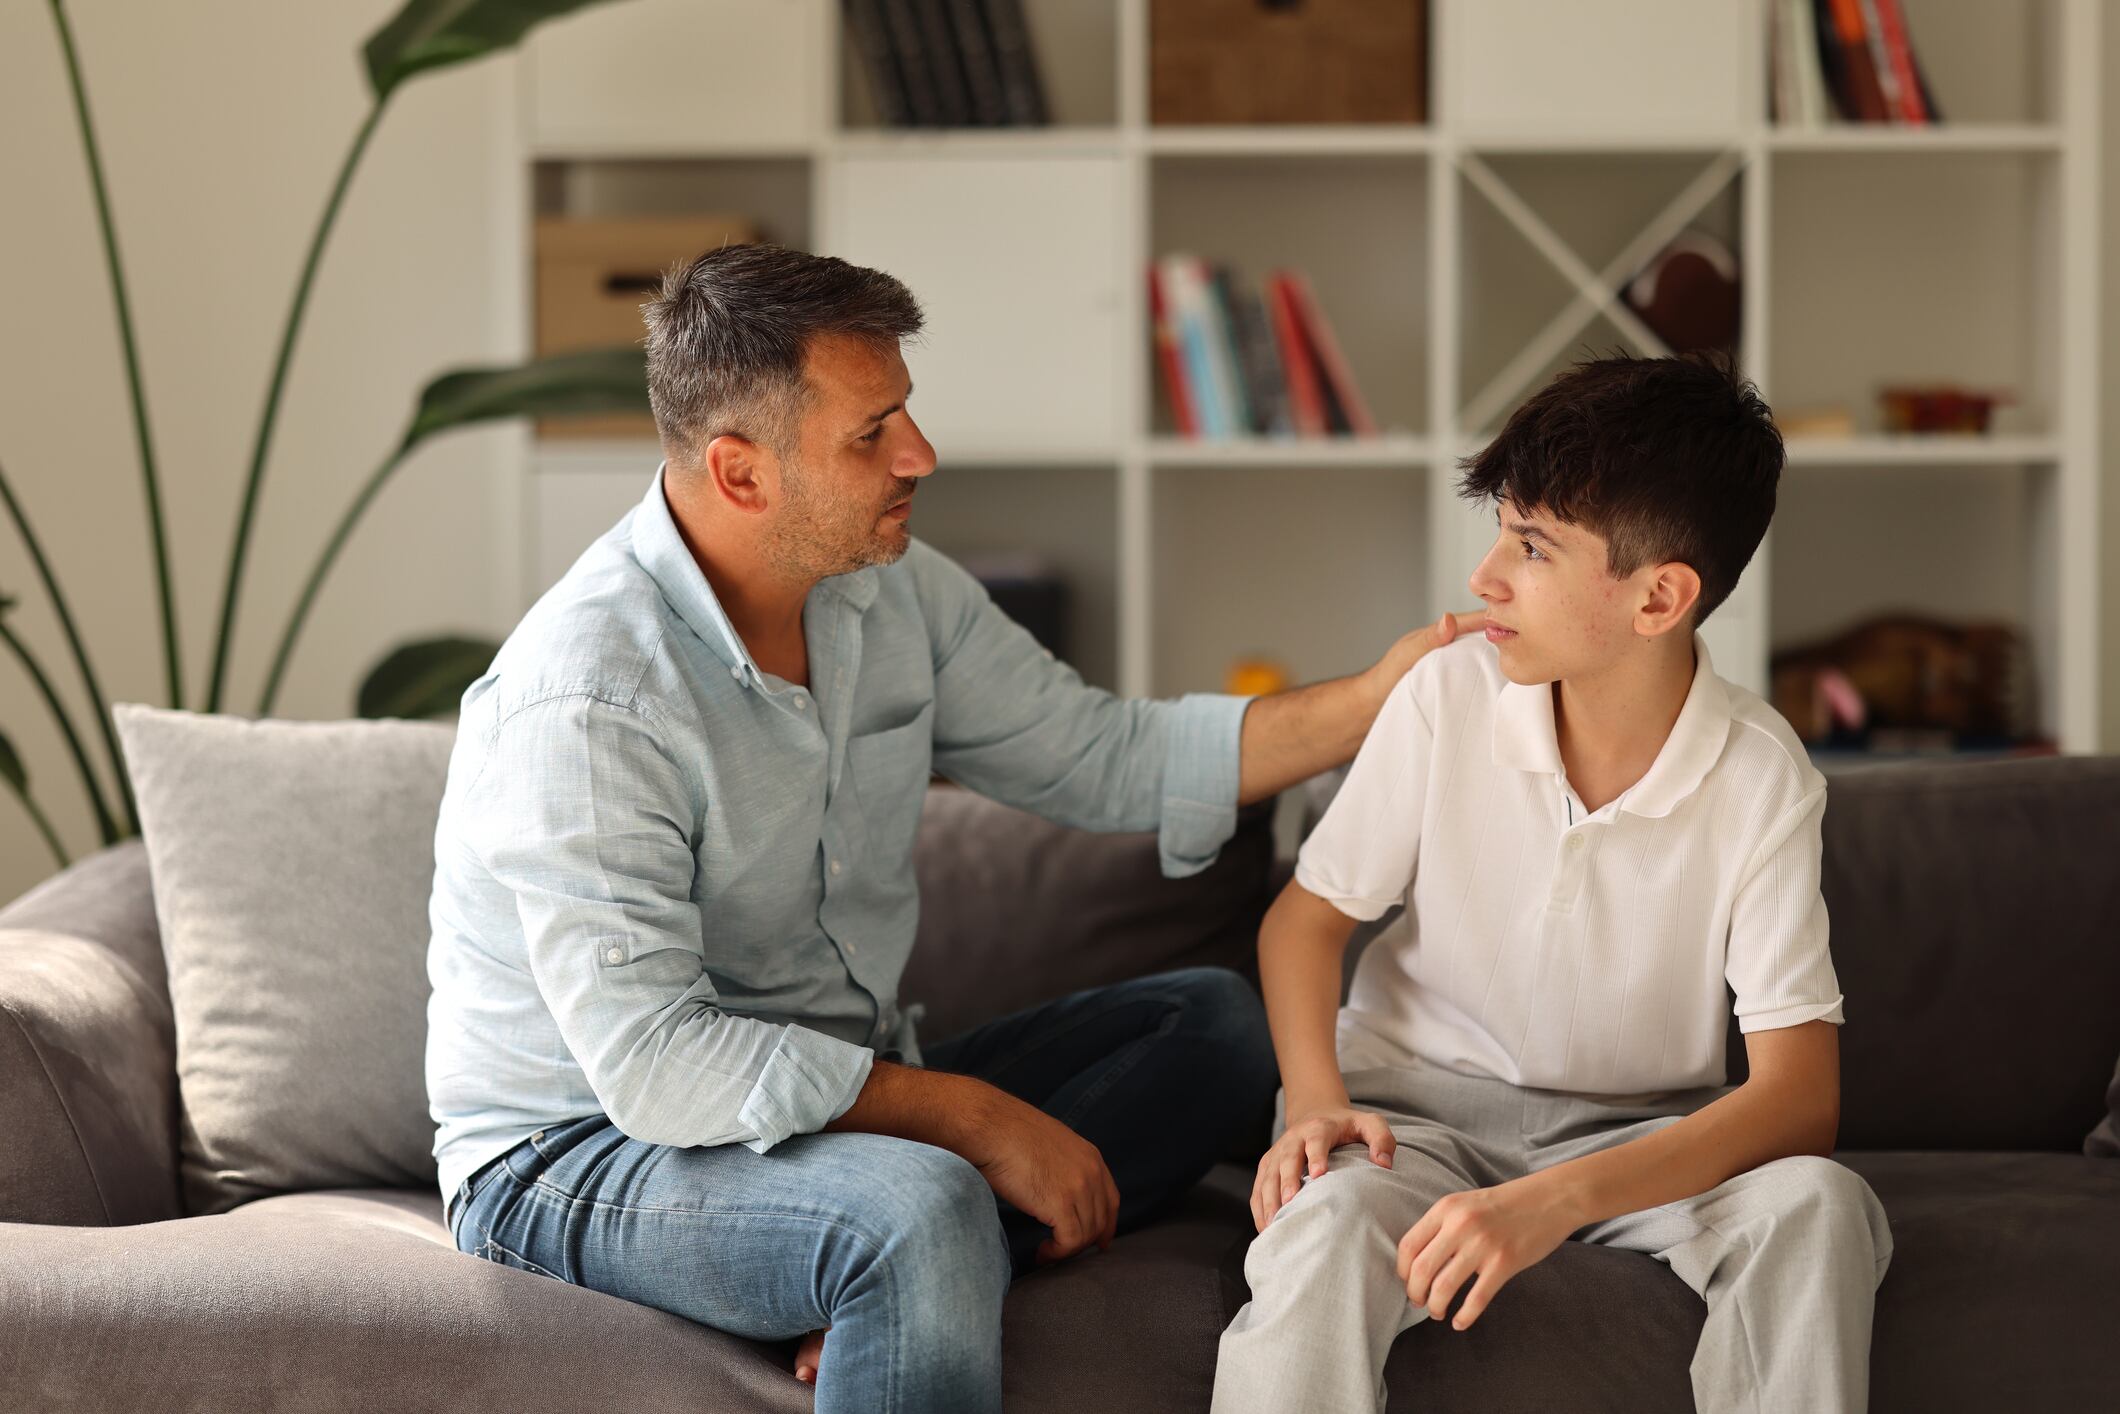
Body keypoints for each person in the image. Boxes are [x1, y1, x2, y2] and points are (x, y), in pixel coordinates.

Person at [425, 242, 1478, 1414]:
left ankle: (896, 1271)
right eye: (869, 435)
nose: (918, 456)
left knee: (1217, 1025)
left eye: (905, 415)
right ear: (738, 473)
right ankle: (909, 1255)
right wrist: (971, 1120)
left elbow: (1103, 753)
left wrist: (1375, 698)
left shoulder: (890, 590)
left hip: (835, 1102)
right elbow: (657, 1067)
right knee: (915, 1209)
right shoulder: (590, 695)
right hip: (579, 1152)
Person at [1213, 352, 1894, 1413]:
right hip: (1414, 1122)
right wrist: (1313, 1101)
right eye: (1500, 531)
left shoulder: (1761, 777)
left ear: (1659, 596)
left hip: (1637, 1138)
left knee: (1816, 1206)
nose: (1484, 577)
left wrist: (1548, 1201)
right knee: (1328, 1224)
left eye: (1530, 547)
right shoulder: (1445, 697)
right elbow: (1303, 922)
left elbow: (1797, 1098)